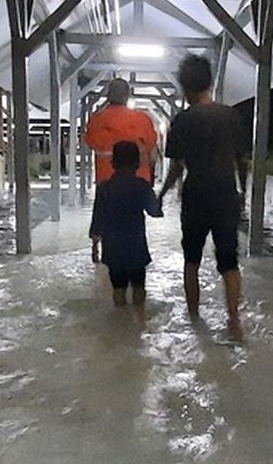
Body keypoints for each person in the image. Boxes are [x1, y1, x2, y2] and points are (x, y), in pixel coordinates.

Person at [158, 55, 250, 337]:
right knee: (229, 263)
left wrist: (161, 194)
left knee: (192, 261)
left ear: (184, 87)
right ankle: (234, 322)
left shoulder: (182, 122)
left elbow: (176, 168)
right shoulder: (231, 116)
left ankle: (195, 319)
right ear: (210, 82)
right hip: (226, 195)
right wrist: (242, 192)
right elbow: (242, 161)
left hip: (196, 196)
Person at [89, 140, 163, 307]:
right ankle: (138, 320)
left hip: (113, 248)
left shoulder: (104, 188)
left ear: (113, 163)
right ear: (137, 163)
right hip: (136, 246)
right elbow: (155, 212)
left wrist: (94, 247)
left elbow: (97, 219)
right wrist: (160, 198)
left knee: (119, 288)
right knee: (138, 286)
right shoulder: (142, 187)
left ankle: (121, 318)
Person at [84, 78, 158, 184]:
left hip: (107, 185)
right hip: (139, 185)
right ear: (127, 95)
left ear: (108, 96)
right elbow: (152, 155)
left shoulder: (96, 120)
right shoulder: (143, 120)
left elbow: (89, 144)